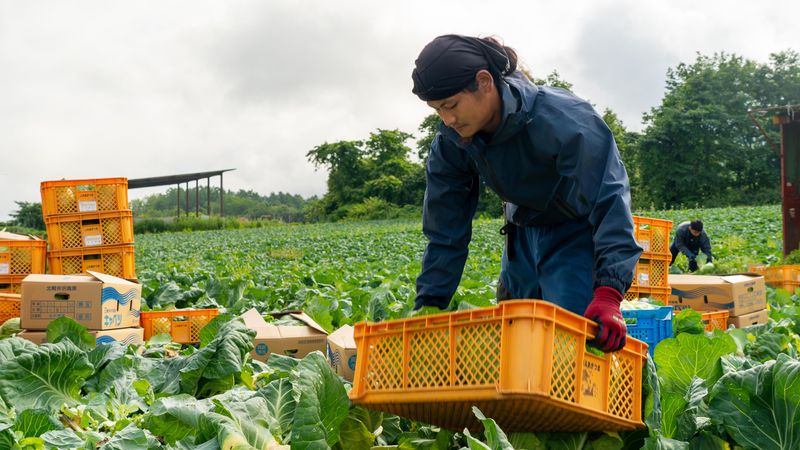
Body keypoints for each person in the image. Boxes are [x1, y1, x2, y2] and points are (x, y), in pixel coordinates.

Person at [410, 34, 642, 353]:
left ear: (484, 82)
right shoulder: (452, 141)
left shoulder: (565, 120)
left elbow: (610, 201)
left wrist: (609, 293)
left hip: (573, 233)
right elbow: (446, 231)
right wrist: (429, 304)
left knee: (573, 348)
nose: (447, 119)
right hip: (520, 235)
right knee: (517, 347)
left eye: (451, 105)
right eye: (437, 110)